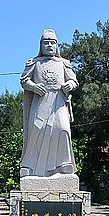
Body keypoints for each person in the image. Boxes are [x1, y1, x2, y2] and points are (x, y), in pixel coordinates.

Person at [19, 29, 79, 177]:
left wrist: (70, 85)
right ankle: (29, 166)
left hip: (58, 102)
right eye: (46, 43)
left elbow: (74, 80)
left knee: (63, 129)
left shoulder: (64, 63)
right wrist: (33, 87)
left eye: (52, 43)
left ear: (57, 45)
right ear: (41, 45)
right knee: (36, 132)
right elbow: (24, 80)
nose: (50, 46)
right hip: (41, 101)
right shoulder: (34, 63)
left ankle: (64, 164)